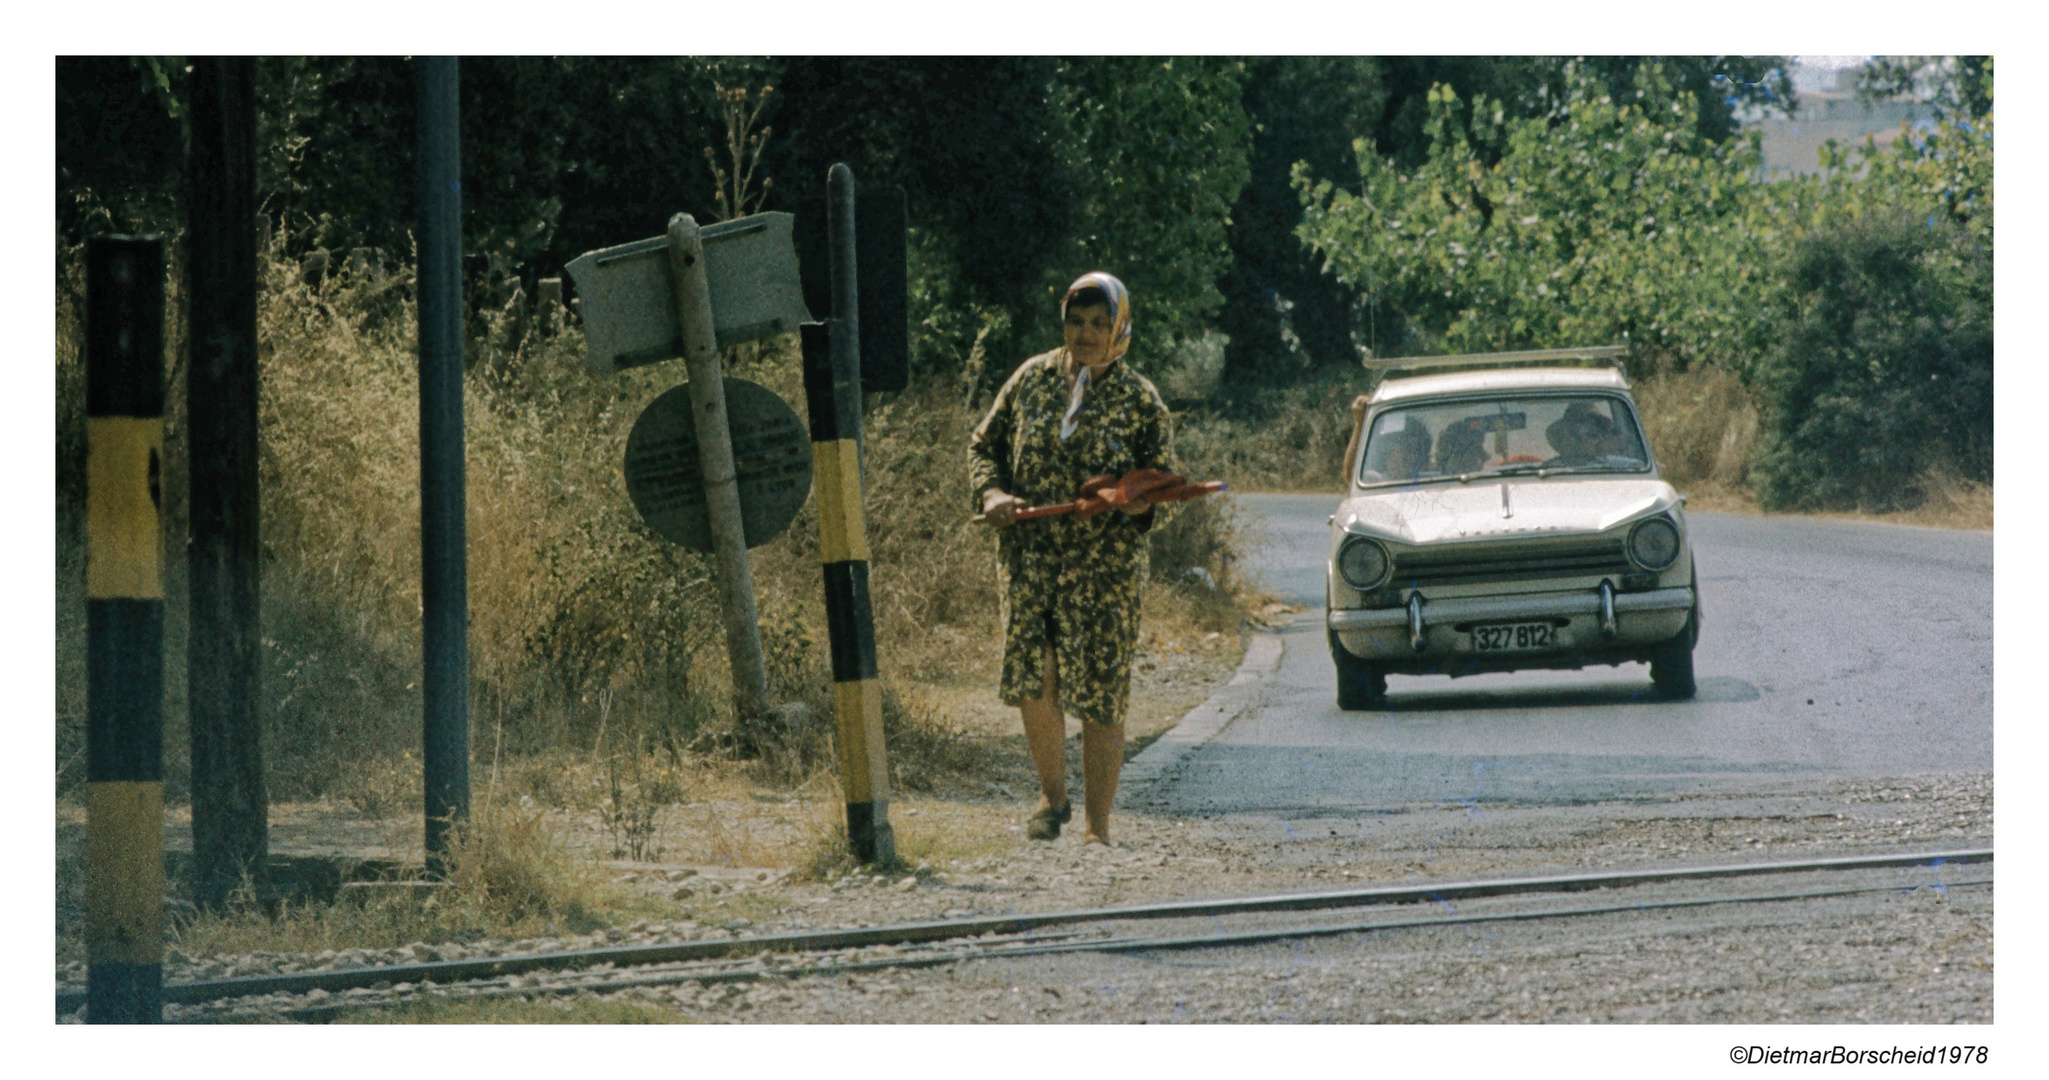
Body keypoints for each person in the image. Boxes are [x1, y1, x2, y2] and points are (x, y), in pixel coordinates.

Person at [968, 272, 1173, 845]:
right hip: (1030, 560)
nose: (1086, 335)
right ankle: (1052, 798)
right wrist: (992, 494)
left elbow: (1166, 488)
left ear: (1120, 330)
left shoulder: (1141, 400)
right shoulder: (1030, 379)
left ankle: (1097, 828)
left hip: (1105, 572)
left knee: (1102, 695)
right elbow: (983, 445)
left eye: (1100, 325)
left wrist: (1134, 503)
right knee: (1036, 678)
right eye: (1077, 322)